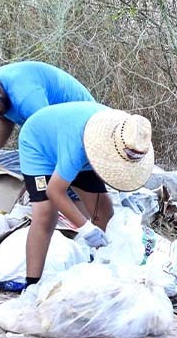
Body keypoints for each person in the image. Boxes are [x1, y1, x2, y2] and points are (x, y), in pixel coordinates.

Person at [19, 102, 154, 286]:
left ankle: (101, 268)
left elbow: (121, 167)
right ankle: (32, 283)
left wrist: (124, 194)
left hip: (85, 149)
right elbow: (54, 191)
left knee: (105, 212)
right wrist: (85, 228)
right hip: (39, 146)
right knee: (46, 215)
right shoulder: (78, 148)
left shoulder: (130, 132)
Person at [0, 61, 96, 171]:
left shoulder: (27, 98)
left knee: (69, 187)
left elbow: (49, 139)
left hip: (83, 124)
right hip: (55, 124)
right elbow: (6, 116)